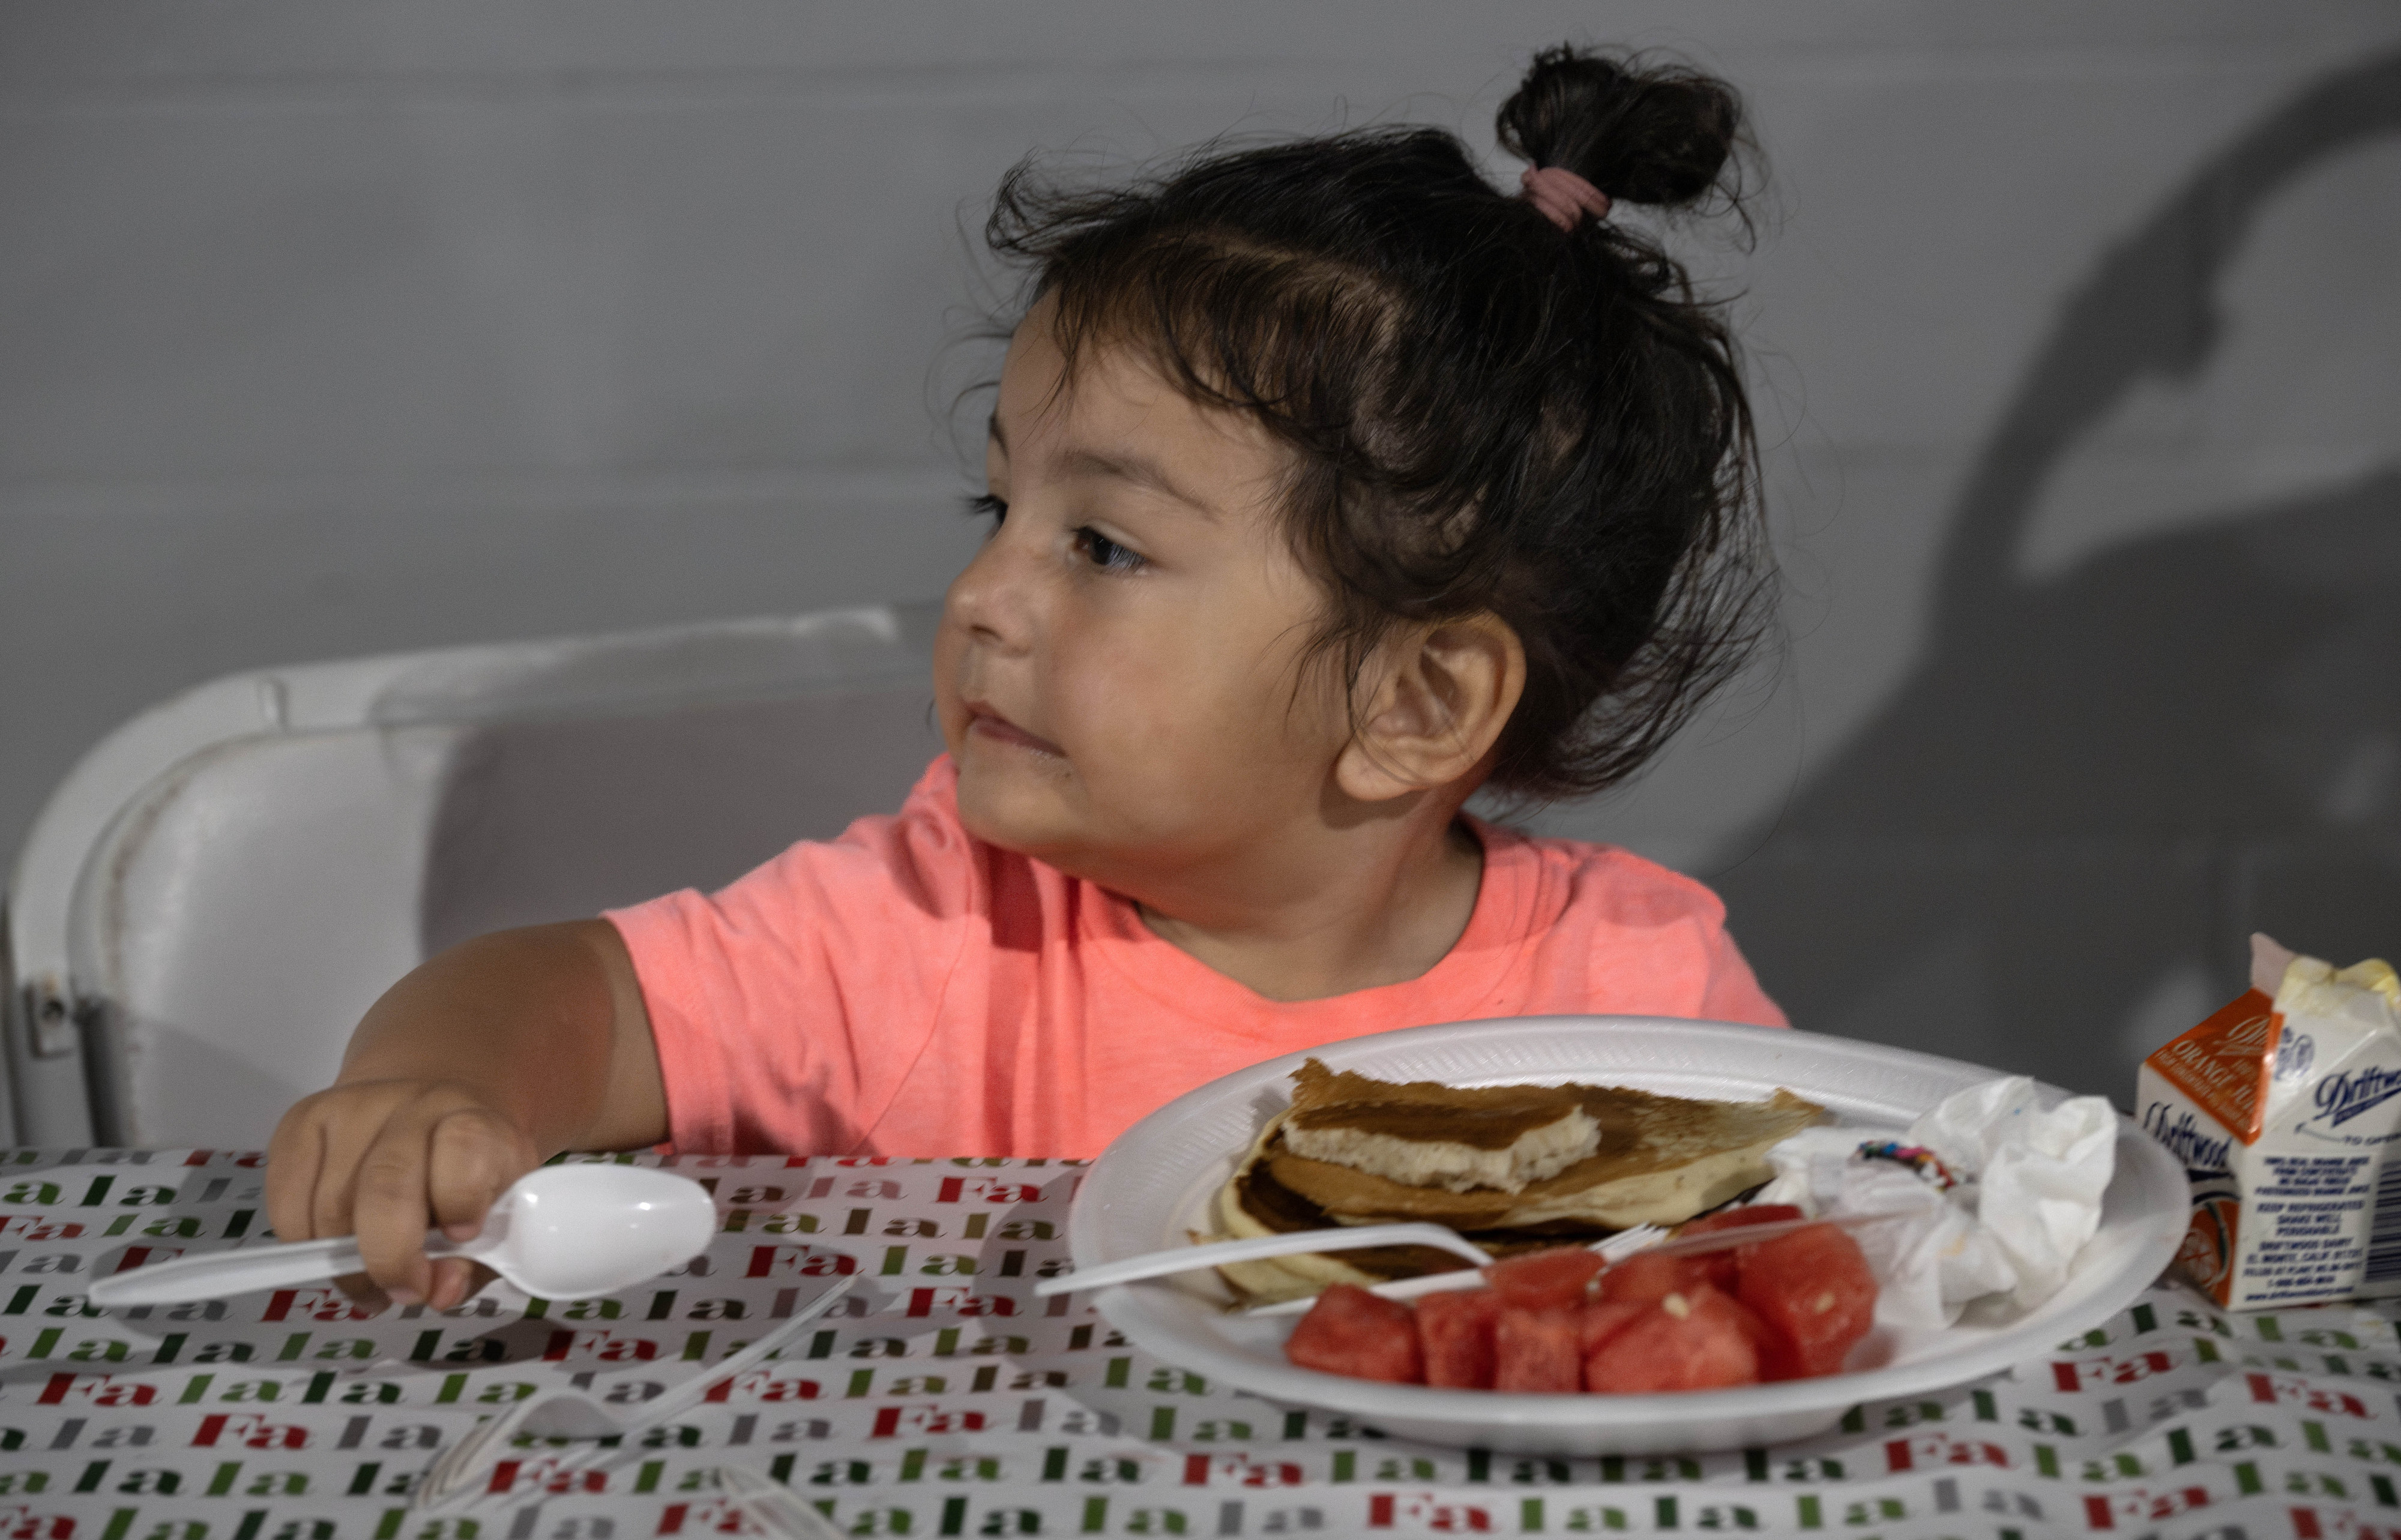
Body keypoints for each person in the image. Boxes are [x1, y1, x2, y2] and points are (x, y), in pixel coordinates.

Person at [267, 45, 1788, 1310]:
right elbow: (570, 994)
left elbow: (1805, 1265)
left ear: (1416, 704)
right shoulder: (929, 937)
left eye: (1106, 548)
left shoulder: (1640, 993)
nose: (984, 595)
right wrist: (438, 1090)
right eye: (998, 514)